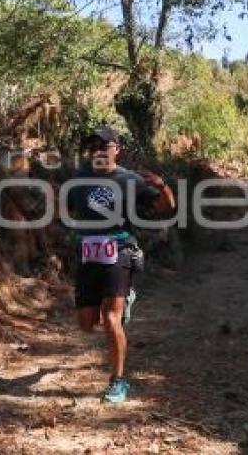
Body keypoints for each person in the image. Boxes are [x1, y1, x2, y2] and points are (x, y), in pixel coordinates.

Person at [67, 125, 175, 403]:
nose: (98, 152)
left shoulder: (131, 180)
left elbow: (166, 208)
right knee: (86, 324)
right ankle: (125, 298)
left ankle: (118, 380)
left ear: (117, 149)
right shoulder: (79, 178)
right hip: (88, 253)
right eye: (93, 147)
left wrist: (162, 186)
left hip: (120, 251)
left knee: (111, 319)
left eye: (104, 146)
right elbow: (68, 208)